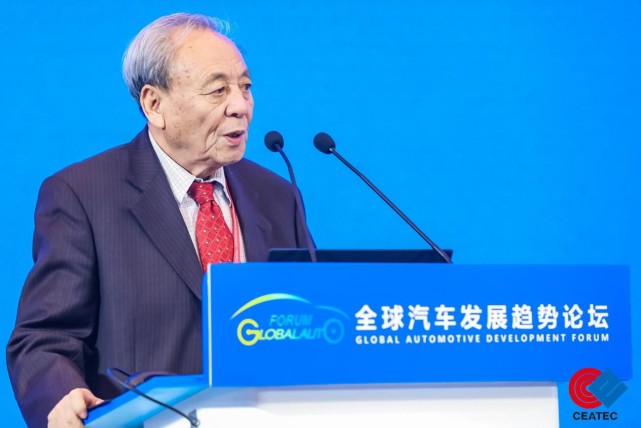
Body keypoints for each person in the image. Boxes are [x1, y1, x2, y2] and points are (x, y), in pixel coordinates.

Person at [7, 13, 308, 428]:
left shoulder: (277, 196)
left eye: (245, 87)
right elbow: (45, 338)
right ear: (154, 104)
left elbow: (309, 320)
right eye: (218, 90)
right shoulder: (84, 195)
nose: (241, 106)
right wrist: (60, 395)